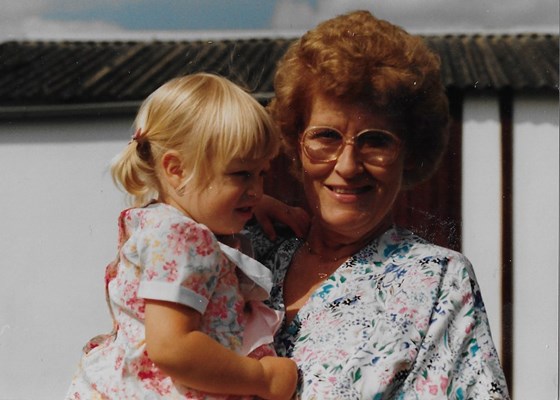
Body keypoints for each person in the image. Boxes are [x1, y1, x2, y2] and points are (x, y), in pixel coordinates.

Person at [250, 10, 511, 399]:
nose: (348, 165)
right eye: (326, 136)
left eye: (376, 141)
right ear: (295, 142)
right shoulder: (249, 250)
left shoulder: (436, 279)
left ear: (410, 153)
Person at [65, 73, 303, 400]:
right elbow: (173, 347)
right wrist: (261, 378)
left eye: (262, 174)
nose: (257, 189)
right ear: (176, 170)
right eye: (241, 175)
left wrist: (258, 203)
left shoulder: (156, 221)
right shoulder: (186, 239)